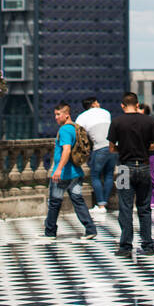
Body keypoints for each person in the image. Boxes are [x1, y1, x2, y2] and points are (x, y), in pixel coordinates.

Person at [108, 92, 154, 256]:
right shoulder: (149, 121)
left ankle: (125, 246)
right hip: (144, 166)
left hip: (125, 168)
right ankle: (148, 245)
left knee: (125, 207)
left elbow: (111, 148)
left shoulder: (117, 122)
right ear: (138, 105)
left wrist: (123, 149)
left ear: (123, 106)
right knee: (144, 208)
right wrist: (145, 149)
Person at [44, 102, 98, 242]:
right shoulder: (76, 128)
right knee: (78, 201)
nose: (56, 117)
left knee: (55, 202)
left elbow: (66, 150)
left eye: (58, 114)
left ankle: (50, 232)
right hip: (76, 172)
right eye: (55, 114)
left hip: (63, 174)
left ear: (66, 114)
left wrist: (59, 169)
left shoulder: (64, 130)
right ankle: (90, 229)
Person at [76, 95, 115, 214]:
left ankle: (101, 205)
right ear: (93, 104)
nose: (99, 104)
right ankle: (105, 203)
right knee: (109, 175)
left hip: (99, 147)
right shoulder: (106, 113)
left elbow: (79, 134)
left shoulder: (81, 117)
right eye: (97, 102)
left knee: (95, 175)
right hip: (113, 146)